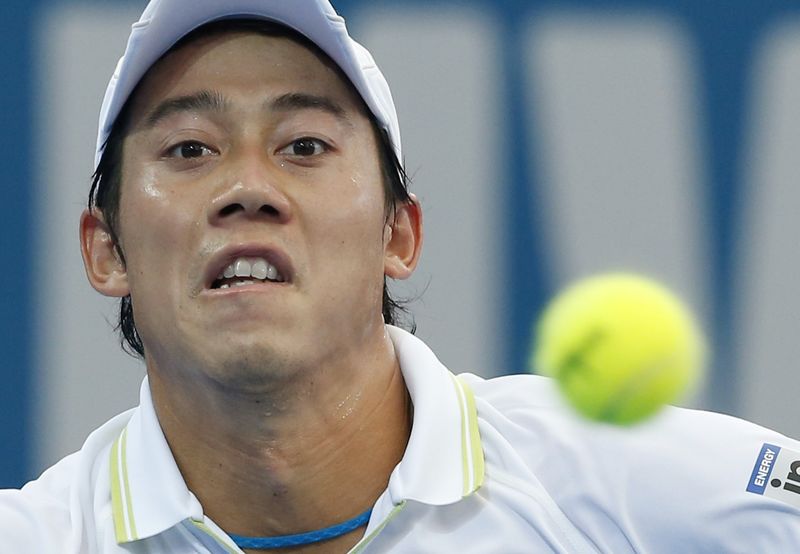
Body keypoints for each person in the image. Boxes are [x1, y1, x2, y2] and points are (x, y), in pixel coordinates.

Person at [1, 0, 799, 552]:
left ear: (400, 233)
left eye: (304, 146)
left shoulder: (627, 486)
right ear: (107, 251)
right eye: (190, 150)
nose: (248, 187)